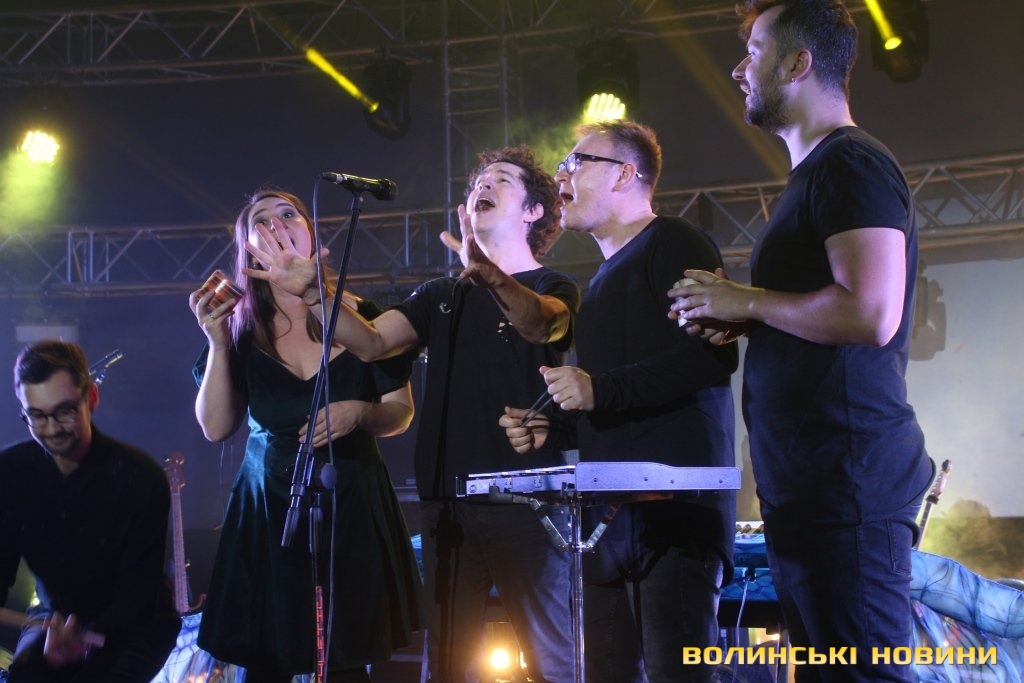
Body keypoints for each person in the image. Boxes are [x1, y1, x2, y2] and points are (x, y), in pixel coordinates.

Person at [668, 1, 935, 680]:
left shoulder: (852, 164)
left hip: (849, 486)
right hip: (812, 488)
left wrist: (748, 300)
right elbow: (827, 312)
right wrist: (743, 317)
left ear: (797, 63)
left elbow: (871, 312)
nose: (737, 70)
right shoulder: (816, 174)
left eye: (753, 52)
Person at [312, 146, 579, 683]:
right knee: (449, 666)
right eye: (478, 181)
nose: (483, 185)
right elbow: (370, 342)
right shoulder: (440, 295)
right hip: (448, 506)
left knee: (554, 660)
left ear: (533, 211)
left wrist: (490, 275)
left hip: (528, 503)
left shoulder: (553, 286)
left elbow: (539, 323)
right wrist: (310, 292)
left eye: (501, 179)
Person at [501, 120, 738, 683]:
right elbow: (616, 403)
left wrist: (597, 389)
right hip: (608, 521)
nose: (562, 176)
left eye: (576, 162)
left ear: (625, 175)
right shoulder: (602, 279)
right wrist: (556, 429)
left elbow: (710, 358)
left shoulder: (673, 241)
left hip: (676, 517)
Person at [189, 188, 422, 683]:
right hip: (269, 504)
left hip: (350, 497)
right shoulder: (237, 330)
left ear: (311, 232)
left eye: (288, 214)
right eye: (261, 220)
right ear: (247, 248)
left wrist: (360, 412)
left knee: (344, 659)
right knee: (266, 660)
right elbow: (215, 426)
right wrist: (216, 344)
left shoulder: (364, 315)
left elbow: (400, 413)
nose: (276, 225)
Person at [0, 340, 179, 682]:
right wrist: (57, 640)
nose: (52, 428)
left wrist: (80, 638)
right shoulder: (9, 472)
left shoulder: (140, 477)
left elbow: (136, 597)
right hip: (52, 618)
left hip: (135, 625)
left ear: (91, 398)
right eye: (37, 416)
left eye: (64, 411)